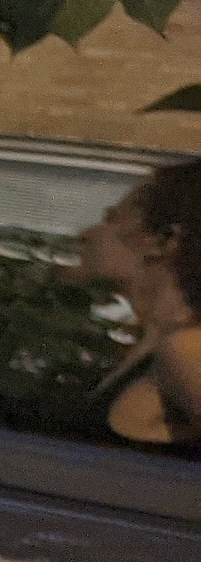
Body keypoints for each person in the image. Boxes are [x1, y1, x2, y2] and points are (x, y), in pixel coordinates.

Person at [79, 158, 201, 453]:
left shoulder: (185, 348)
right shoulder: (157, 341)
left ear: (165, 241)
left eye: (112, 219)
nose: (85, 234)